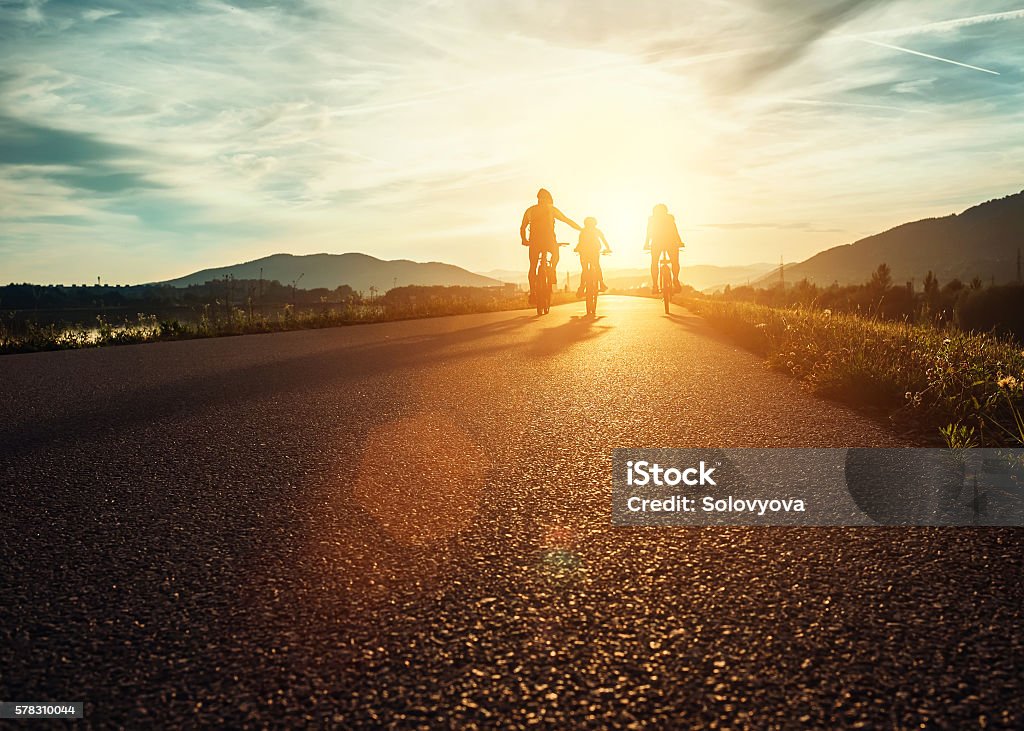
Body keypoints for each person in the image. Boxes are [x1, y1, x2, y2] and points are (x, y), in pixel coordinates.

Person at [520, 188, 581, 302]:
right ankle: (552, 270)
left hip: (534, 242)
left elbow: (523, 227)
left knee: (532, 266)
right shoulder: (551, 209)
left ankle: (533, 292)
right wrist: (581, 229)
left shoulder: (530, 210)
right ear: (548, 199)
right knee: (555, 256)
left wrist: (524, 239)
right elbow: (567, 220)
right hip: (549, 241)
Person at [644, 203, 683, 294]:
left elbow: (649, 233)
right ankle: (675, 279)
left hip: (657, 244)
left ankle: (655, 286)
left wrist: (646, 244)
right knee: (675, 262)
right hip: (671, 243)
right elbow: (675, 231)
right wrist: (680, 242)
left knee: (654, 263)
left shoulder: (652, 220)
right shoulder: (670, 219)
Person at [575, 216, 611, 297]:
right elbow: (604, 240)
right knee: (597, 266)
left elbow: (580, 242)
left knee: (584, 270)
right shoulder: (597, 231)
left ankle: (581, 288)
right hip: (594, 252)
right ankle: (601, 284)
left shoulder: (583, 231)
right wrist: (608, 248)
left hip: (583, 252)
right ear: (595, 223)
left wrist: (577, 248)